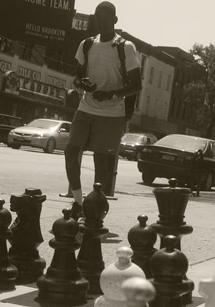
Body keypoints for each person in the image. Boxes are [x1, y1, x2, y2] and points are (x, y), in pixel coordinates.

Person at [64, 1, 142, 219]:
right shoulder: (87, 44)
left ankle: (95, 206)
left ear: (115, 21)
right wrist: (83, 84)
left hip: (111, 113)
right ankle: (78, 202)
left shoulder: (125, 47)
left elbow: (137, 84)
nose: (102, 23)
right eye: (98, 18)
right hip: (86, 107)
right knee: (71, 151)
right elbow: (77, 77)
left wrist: (112, 94)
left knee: (101, 162)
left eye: (107, 19)